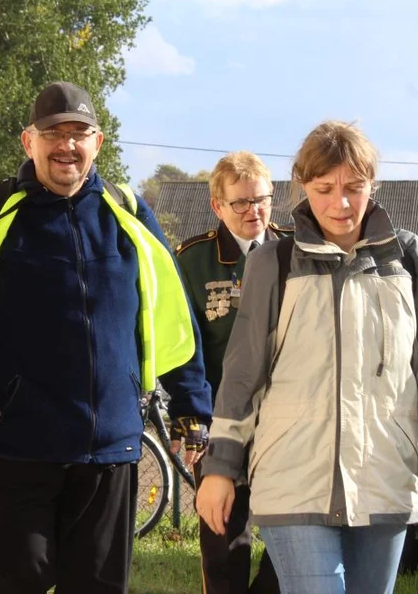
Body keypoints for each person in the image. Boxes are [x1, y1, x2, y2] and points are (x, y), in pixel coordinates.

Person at [0, 81, 213, 594]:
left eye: (79, 133)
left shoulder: (129, 214)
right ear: (28, 142)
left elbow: (171, 314)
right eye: (54, 132)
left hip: (110, 446)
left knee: (98, 586)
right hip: (15, 445)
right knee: (16, 578)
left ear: (98, 142)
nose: (66, 145)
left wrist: (192, 403)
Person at [196, 121, 418, 594]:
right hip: (291, 482)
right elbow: (242, 378)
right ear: (303, 186)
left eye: (355, 187)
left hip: (384, 480)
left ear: (373, 184)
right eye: (325, 188)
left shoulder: (408, 258)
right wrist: (221, 469)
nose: (342, 203)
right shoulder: (272, 264)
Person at [175, 152, 285, 594]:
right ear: (217, 206)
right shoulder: (192, 260)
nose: (253, 211)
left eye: (261, 199)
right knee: (223, 541)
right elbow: (187, 348)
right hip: (222, 420)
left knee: (291, 537)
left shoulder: (295, 250)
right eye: (240, 202)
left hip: (287, 421)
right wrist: (194, 418)